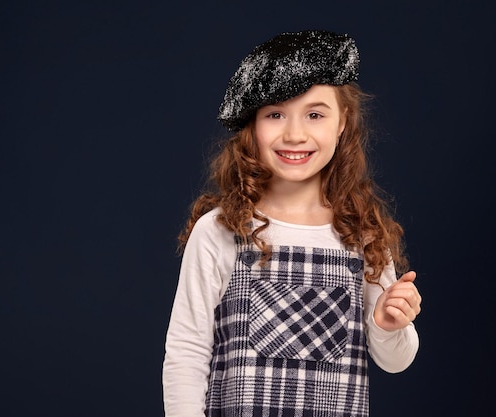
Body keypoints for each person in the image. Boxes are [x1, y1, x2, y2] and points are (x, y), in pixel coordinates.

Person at [162, 29, 422, 417]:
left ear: (342, 123)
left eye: (315, 114)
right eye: (275, 114)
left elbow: (396, 360)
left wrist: (388, 323)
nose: (295, 134)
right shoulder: (221, 231)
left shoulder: (362, 236)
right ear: (252, 124)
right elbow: (187, 351)